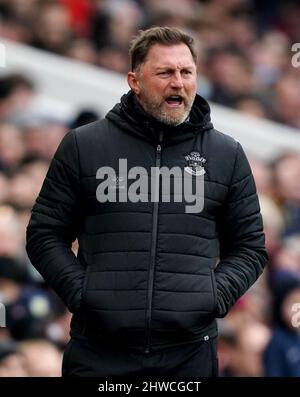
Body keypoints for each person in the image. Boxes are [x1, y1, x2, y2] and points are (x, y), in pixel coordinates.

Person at [26, 26, 268, 377]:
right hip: (99, 350)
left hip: (188, 355)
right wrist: (84, 293)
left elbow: (250, 248)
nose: (178, 82)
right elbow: (44, 234)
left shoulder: (226, 154)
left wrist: (212, 295)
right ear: (134, 80)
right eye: (165, 72)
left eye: (186, 72)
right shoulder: (84, 145)